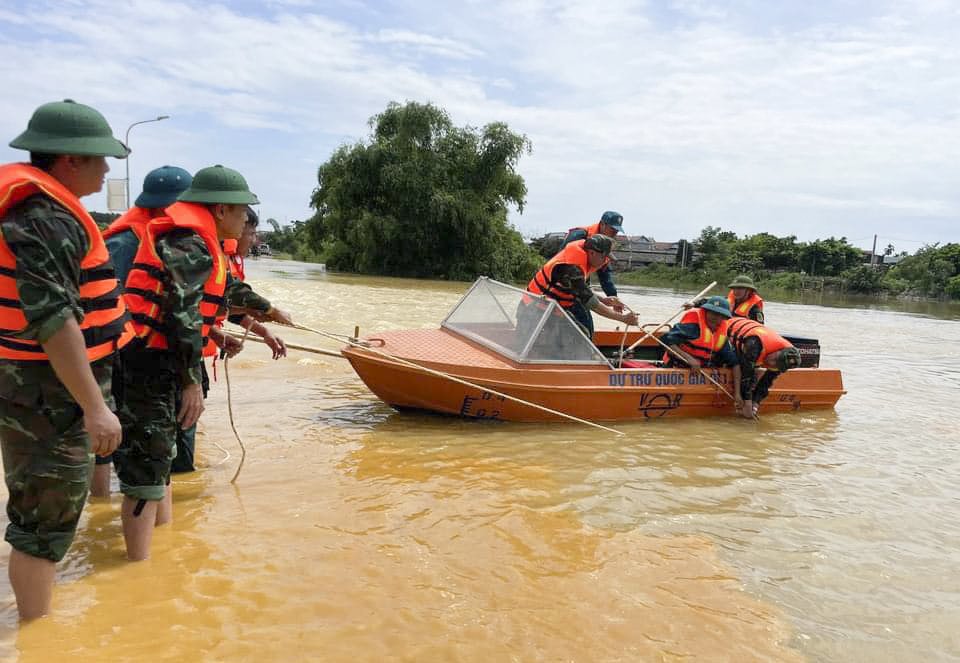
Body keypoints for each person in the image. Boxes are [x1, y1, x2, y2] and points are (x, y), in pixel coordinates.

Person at [0, 99, 131, 619]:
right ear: (68, 160)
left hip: (42, 390)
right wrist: (96, 407)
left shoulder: (49, 211)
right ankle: (35, 638)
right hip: (44, 395)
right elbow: (53, 317)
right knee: (41, 523)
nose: (106, 169)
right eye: (99, 159)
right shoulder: (45, 217)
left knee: (46, 516)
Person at [116, 165, 286, 560]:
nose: (247, 220)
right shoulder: (189, 243)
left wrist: (269, 311)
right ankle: (137, 571)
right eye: (244, 212)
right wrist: (192, 382)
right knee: (147, 464)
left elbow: (226, 289)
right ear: (222, 209)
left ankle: (165, 549)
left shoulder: (202, 243)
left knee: (164, 455)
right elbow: (182, 317)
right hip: (148, 364)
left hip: (162, 362)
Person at [90, 165, 193, 497]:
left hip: (142, 351)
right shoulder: (126, 243)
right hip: (118, 353)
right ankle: (100, 503)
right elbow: (107, 304)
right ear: (169, 206)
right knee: (109, 438)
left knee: (144, 448)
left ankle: (111, 509)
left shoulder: (163, 240)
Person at [171, 207, 290, 474]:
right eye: (251, 230)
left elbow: (220, 305)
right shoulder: (201, 253)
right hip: (180, 358)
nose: (254, 239)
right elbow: (191, 311)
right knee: (179, 428)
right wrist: (270, 311)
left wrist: (263, 330)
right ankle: (182, 485)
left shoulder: (220, 256)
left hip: (195, 351)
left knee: (185, 424)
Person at [526, 234, 637, 337]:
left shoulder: (581, 261)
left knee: (580, 336)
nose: (605, 261)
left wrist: (604, 300)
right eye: (604, 257)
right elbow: (592, 304)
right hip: (533, 310)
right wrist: (623, 318)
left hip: (551, 310)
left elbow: (580, 289)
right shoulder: (571, 268)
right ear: (592, 253)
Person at [726, 317, 801, 418]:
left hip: (748, 346)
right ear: (778, 350)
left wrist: (755, 404)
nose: (772, 364)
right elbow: (746, 375)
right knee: (746, 373)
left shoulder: (781, 362)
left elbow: (766, 384)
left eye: (777, 365)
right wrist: (747, 403)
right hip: (728, 331)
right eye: (775, 360)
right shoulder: (755, 344)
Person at [560, 210, 625, 312]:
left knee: (585, 320)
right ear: (602, 224)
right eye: (612, 229)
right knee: (582, 321)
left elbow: (605, 276)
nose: (615, 233)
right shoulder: (578, 236)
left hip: (581, 286)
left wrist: (613, 298)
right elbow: (561, 266)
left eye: (617, 231)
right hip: (565, 285)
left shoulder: (605, 246)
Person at [660, 296, 738, 369]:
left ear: (724, 318)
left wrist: (737, 384)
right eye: (713, 314)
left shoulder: (722, 336)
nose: (715, 318)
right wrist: (689, 358)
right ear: (706, 312)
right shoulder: (692, 327)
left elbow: (734, 362)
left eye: (720, 315)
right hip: (675, 367)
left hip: (701, 373)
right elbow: (665, 339)